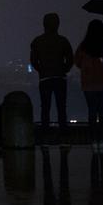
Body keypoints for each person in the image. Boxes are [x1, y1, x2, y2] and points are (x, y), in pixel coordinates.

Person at [30, 12, 74, 143]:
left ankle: (45, 129)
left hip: (45, 78)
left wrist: (41, 70)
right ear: (57, 24)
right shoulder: (63, 41)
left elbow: (33, 60)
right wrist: (64, 69)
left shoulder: (37, 41)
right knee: (61, 105)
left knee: (45, 106)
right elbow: (70, 59)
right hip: (59, 77)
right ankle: (63, 130)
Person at [73, 20, 103, 153]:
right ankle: (102, 140)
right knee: (102, 112)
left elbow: (77, 62)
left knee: (92, 111)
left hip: (88, 84)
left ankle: (93, 140)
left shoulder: (84, 46)